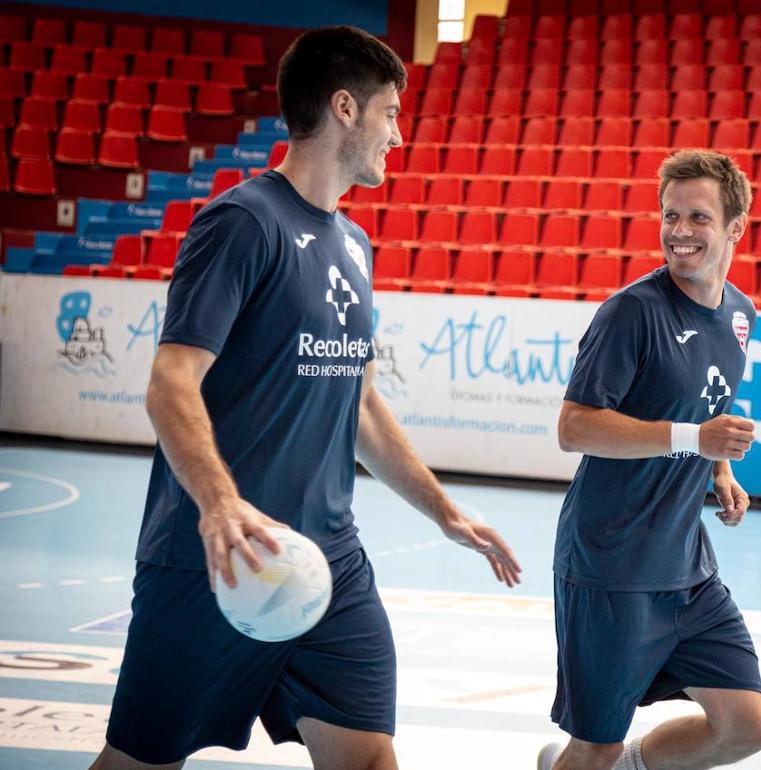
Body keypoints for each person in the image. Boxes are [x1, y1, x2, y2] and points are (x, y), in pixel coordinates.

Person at [91, 26, 521, 770]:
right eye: (391, 112)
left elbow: (359, 406)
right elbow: (170, 382)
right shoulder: (242, 222)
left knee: (368, 758)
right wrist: (220, 504)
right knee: (138, 764)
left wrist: (445, 510)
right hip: (219, 562)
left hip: (329, 563)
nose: (399, 132)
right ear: (345, 108)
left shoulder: (355, 245)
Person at [539, 150, 761, 770]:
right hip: (610, 564)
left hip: (687, 568)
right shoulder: (631, 314)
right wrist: (697, 441)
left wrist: (720, 469)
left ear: (734, 228)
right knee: (593, 745)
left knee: (745, 726)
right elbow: (573, 427)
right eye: (670, 215)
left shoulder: (741, 314)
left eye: (698, 216)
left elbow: (706, 404)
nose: (680, 231)